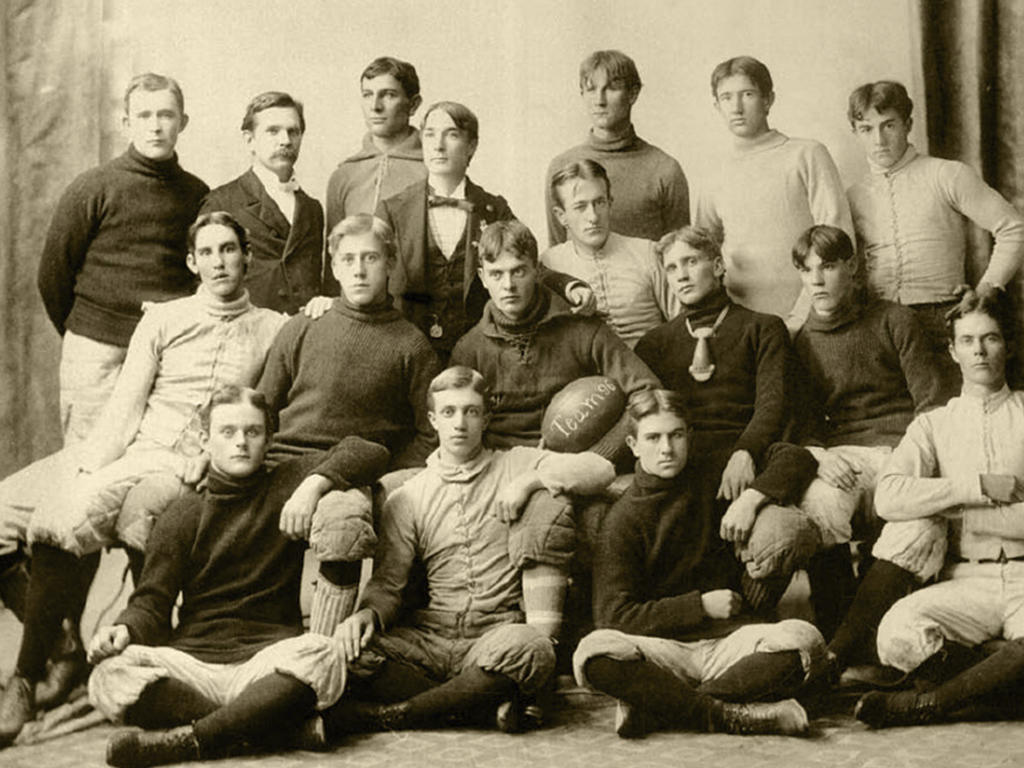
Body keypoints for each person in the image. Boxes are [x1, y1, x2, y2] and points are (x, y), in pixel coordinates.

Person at [0, 213, 287, 745]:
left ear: (247, 256)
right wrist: (90, 471)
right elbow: (126, 405)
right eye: (208, 252)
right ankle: (37, 668)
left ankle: (48, 670)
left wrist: (211, 455)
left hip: (202, 461)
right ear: (191, 262)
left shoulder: (274, 327)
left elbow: (263, 412)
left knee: (136, 514)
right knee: (54, 512)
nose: (220, 262)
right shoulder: (164, 319)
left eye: (229, 250)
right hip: (136, 447)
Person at [86, 385, 389, 767]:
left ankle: (191, 741)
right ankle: (267, 724)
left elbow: (371, 451)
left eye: (252, 432)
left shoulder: (286, 483)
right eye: (227, 432)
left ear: (269, 439)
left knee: (324, 654)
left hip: (266, 658)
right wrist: (124, 630)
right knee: (109, 676)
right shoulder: (182, 515)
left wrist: (313, 486)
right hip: (195, 663)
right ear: (204, 441)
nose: (241, 443)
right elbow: (152, 601)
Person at [309, 366, 614, 741]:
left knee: (533, 649)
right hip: (430, 636)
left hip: (495, 632)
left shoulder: (516, 462)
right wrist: (367, 614)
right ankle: (478, 705)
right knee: (350, 653)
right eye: (449, 412)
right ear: (434, 420)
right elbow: (389, 582)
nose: (460, 423)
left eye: (471, 411)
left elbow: (601, 469)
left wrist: (529, 482)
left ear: (486, 418)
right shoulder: (409, 494)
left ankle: (396, 715)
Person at [573, 390, 825, 738]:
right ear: (632, 445)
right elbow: (614, 615)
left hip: (728, 642)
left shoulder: (715, 473)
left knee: (806, 641)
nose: (666, 448)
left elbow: (796, 456)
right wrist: (699, 606)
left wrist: (751, 499)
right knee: (594, 653)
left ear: (688, 436)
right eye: (653, 437)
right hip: (663, 652)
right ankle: (723, 714)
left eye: (676, 435)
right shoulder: (623, 519)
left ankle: (662, 707)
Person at [257, 213, 441, 636]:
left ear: (391, 263)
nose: (359, 269)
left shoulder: (411, 344)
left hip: (354, 472)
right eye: (349, 259)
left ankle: (323, 654)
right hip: (285, 462)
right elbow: (265, 404)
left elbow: (430, 432)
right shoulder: (304, 326)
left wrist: (388, 477)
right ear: (335, 266)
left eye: (371, 258)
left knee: (344, 520)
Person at [854, 289, 1024, 728]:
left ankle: (928, 703)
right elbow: (889, 496)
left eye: (990, 338)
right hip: (967, 578)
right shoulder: (934, 424)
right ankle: (997, 683)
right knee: (896, 632)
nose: (980, 351)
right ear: (952, 351)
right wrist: (976, 487)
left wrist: (955, 511)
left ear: (1008, 344)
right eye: (968, 341)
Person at [634, 226, 810, 611]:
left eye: (691, 262)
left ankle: (753, 611)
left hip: (747, 456)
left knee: (793, 472)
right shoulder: (655, 344)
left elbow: (773, 404)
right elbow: (647, 416)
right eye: (671, 267)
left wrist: (746, 451)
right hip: (686, 460)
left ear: (716, 266)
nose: (681, 274)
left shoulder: (762, 328)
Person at [789, 224, 946, 638]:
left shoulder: (895, 319)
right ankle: (836, 631)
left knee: (912, 519)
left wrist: (910, 459)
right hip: (845, 454)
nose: (816, 280)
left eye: (827, 267)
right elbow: (803, 421)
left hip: (903, 446)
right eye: (806, 270)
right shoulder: (801, 341)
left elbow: (930, 403)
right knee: (820, 504)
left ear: (852, 267)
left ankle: (871, 630)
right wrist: (823, 457)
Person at [37, 72, 208, 445]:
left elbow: (202, 276)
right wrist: (93, 328)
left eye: (166, 115)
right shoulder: (93, 187)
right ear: (127, 123)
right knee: (86, 463)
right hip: (97, 354)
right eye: (144, 116)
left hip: (168, 352)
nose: (156, 126)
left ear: (183, 122)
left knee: (156, 459)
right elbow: (53, 276)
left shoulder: (197, 194)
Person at [846, 80, 1024, 400]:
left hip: (940, 318)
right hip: (879, 326)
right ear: (855, 133)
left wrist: (988, 287)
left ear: (908, 124)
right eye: (866, 129)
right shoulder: (854, 196)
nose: (879, 139)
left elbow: (1013, 227)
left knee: (951, 420)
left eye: (889, 125)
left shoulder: (946, 175)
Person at [377, 101, 585, 362]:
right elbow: (368, 275)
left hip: (479, 351)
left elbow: (528, 263)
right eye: (430, 134)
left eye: (451, 135)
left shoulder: (493, 209)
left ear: (472, 145)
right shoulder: (392, 210)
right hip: (408, 351)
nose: (438, 145)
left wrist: (568, 286)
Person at [452, 220, 659, 451]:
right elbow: (453, 424)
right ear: (482, 277)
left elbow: (649, 392)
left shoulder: (582, 329)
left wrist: (600, 455)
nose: (508, 285)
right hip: (502, 466)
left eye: (518, 271)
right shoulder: (469, 349)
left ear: (537, 270)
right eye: (496, 274)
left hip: (576, 465)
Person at [695, 56, 852, 330]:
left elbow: (838, 237)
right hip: (742, 325)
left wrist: (804, 316)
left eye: (748, 94)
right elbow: (704, 254)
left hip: (812, 317)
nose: (737, 107)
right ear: (716, 106)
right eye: (727, 97)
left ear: (768, 100)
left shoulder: (806, 154)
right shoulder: (711, 173)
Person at [201, 91, 335, 314]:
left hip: (301, 333)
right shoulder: (221, 201)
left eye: (293, 132)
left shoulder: (312, 208)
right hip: (246, 332)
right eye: (273, 131)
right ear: (250, 140)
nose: (285, 141)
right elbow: (204, 285)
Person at [544, 50, 689, 245]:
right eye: (591, 89)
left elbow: (681, 254)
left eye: (611, 88)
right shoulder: (562, 167)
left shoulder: (664, 170)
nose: (599, 100)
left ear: (633, 93)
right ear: (582, 94)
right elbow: (557, 253)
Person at [540, 159, 679, 348]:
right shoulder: (549, 264)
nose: (593, 217)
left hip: (654, 366)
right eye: (580, 207)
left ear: (610, 203)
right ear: (561, 215)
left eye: (599, 202)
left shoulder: (647, 253)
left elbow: (682, 323)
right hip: (586, 374)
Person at [325, 56, 427, 232]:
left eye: (388, 95)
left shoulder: (431, 168)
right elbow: (334, 252)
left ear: (413, 105)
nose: (375, 106)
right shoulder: (343, 175)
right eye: (367, 95)